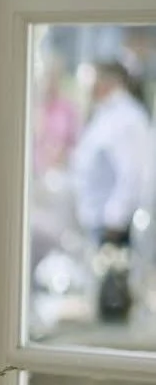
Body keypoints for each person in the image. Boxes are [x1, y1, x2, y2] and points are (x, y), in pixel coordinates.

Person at [69, 59, 153, 321]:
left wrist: (114, 220)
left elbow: (132, 174)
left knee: (117, 303)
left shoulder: (127, 118)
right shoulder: (105, 114)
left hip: (115, 228)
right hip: (99, 222)